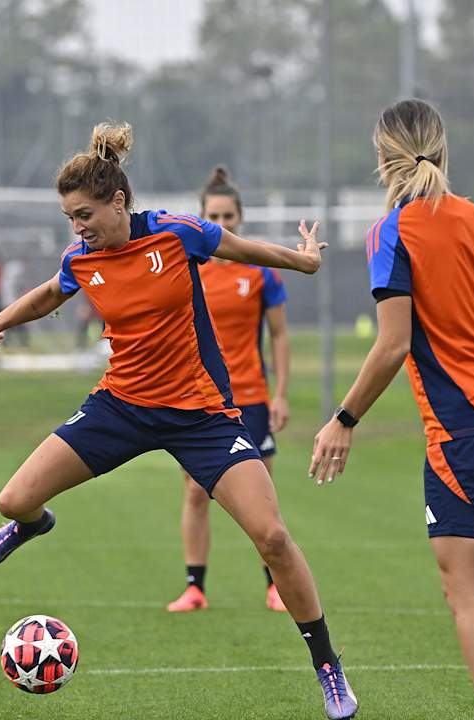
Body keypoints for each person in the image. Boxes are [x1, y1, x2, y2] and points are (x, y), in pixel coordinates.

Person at [0, 121, 357, 719]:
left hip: (201, 415)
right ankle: (31, 526)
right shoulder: (82, 257)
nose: (77, 227)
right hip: (120, 407)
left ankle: (328, 667)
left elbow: (246, 251)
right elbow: (51, 293)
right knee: (12, 500)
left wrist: (303, 263)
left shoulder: (177, 234)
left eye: (84, 214)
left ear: (118, 202)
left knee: (274, 538)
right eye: (70, 217)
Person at [310, 99, 474, 720]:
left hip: (468, 434)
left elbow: (393, 343)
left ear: (382, 159)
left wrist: (344, 418)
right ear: (442, 150)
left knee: (465, 591)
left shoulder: (391, 232)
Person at [165, 166, 292, 614]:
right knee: (196, 492)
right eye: (212, 216)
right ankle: (194, 588)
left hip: (251, 398)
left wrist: (281, 394)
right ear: (201, 218)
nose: (221, 224)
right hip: (199, 399)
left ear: (240, 219)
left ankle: (274, 585)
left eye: (228, 216)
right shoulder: (186, 267)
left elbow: (278, 335)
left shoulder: (260, 273)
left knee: (261, 497)